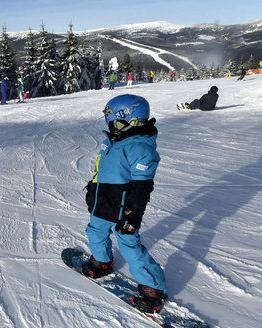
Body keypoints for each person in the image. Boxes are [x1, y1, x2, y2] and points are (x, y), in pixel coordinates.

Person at [81, 94, 166, 313]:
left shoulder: (141, 148)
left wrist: (133, 214)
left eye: (114, 121)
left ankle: (153, 287)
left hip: (123, 207)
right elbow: (100, 170)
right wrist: (93, 190)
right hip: (103, 201)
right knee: (95, 232)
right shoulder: (111, 141)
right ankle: (102, 262)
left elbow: (142, 188)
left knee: (128, 244)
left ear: (130, 119)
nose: (110, 125)